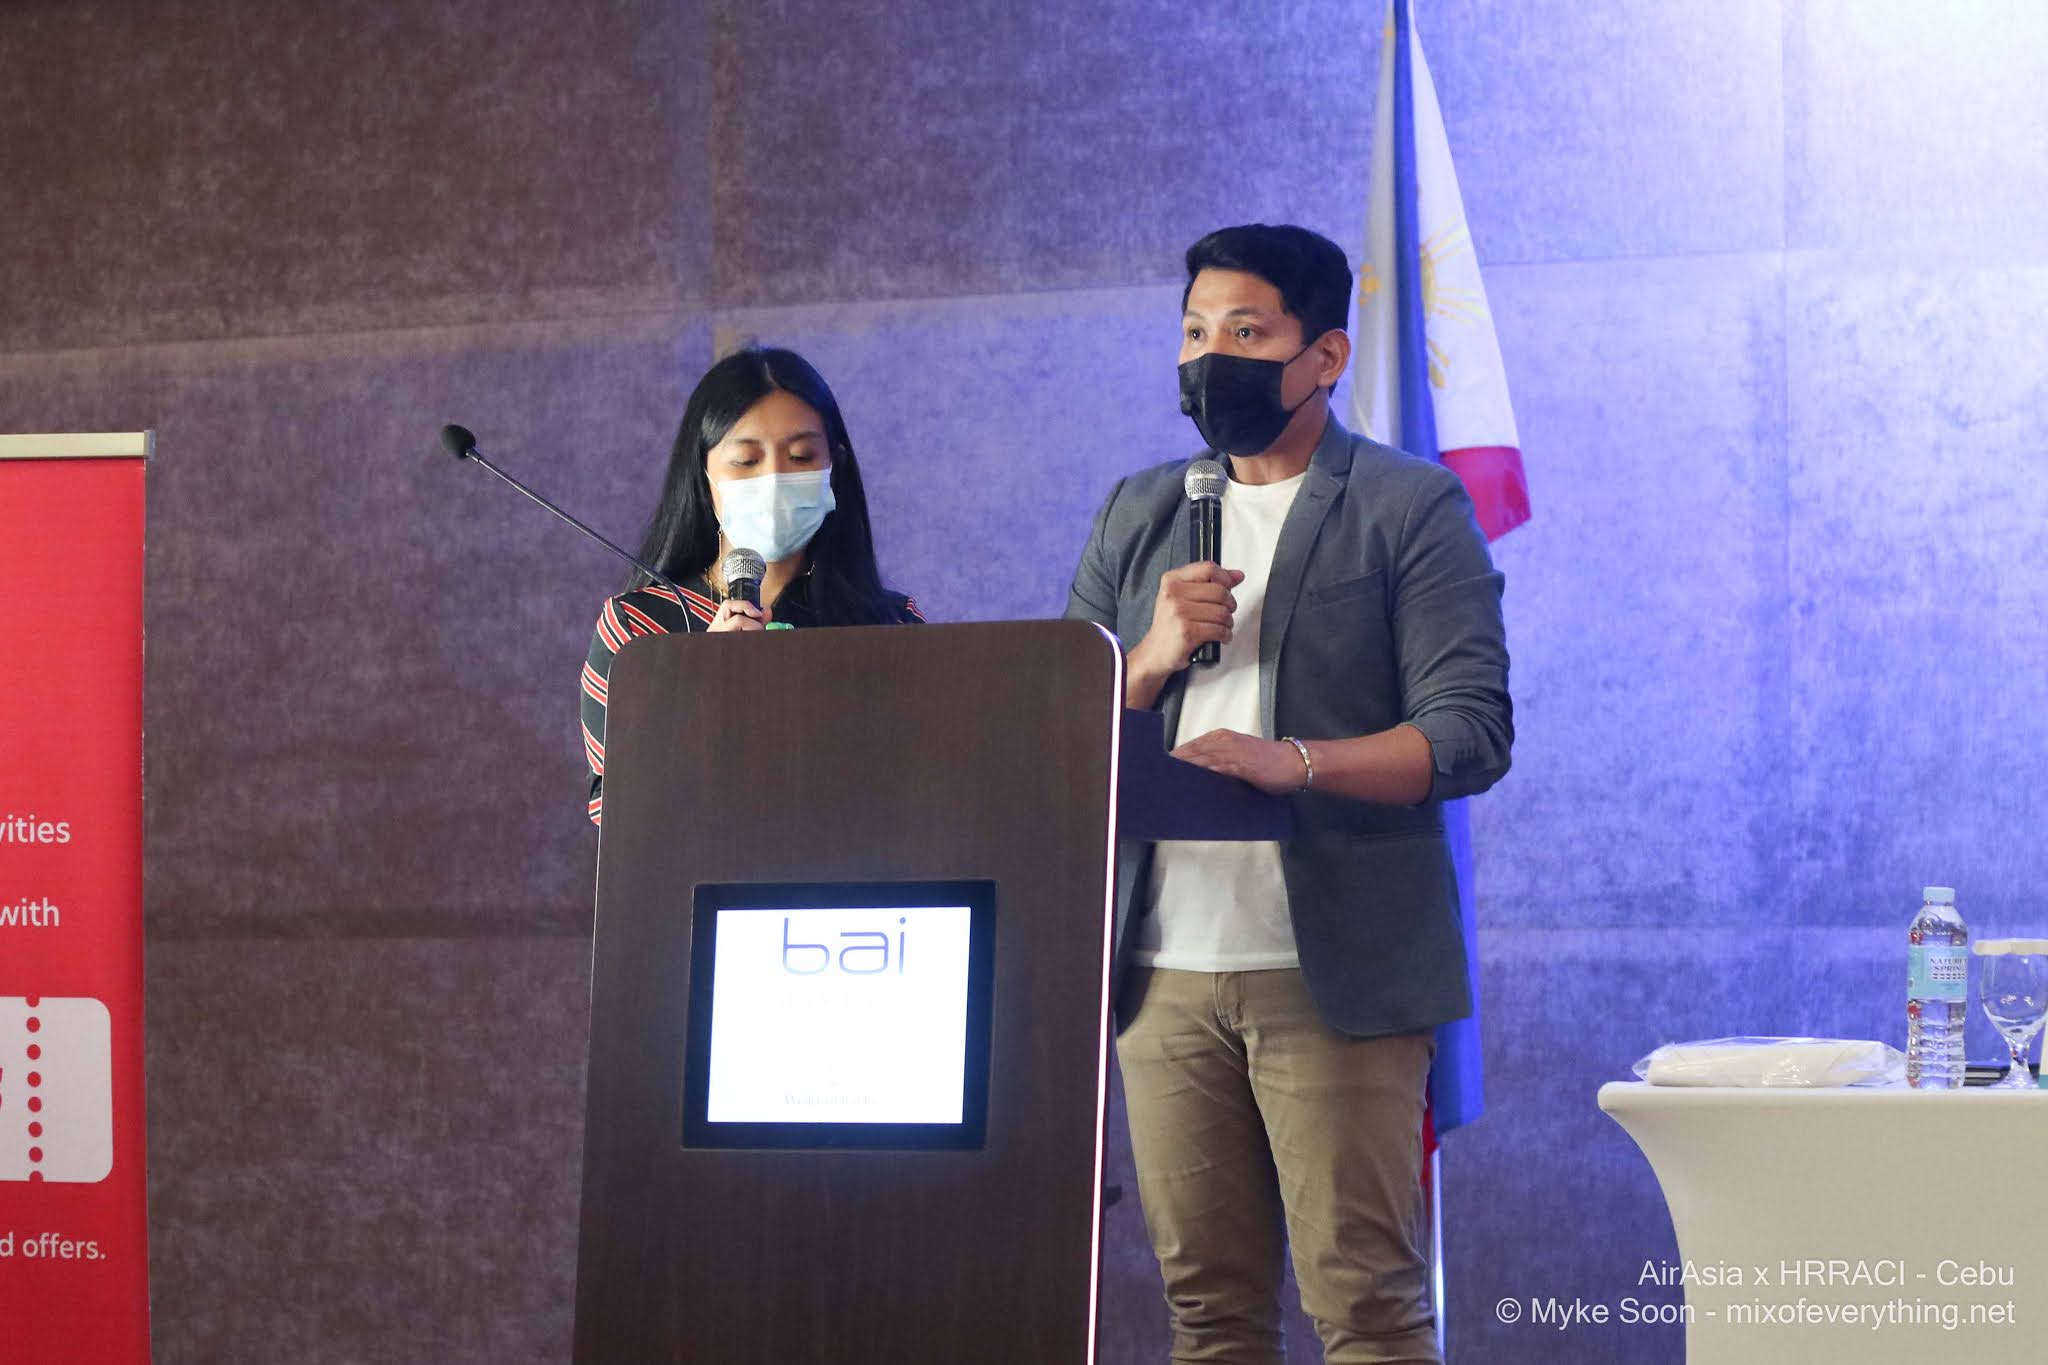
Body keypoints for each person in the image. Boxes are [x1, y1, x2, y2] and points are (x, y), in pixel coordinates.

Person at [1065, 224, 1512, 1364]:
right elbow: (1056, 731)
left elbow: (1468, 732)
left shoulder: (1407, 505)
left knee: (1366, 1309)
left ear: (1324, 356)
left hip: (1335, 970)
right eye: (1193, 332)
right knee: (1208, 1316)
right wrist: (1148, 657)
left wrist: (1298, 761)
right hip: (1161, 972)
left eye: (1245, 332)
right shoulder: (1137, 511)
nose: (1209, 357)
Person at [581, 346, 922, 824]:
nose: (774, 480)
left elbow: (924, 787)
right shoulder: (636, 630)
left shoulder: (892, 625)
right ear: (704, 474)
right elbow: (615, 815)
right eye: (745, 461)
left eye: (801, 456)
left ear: (836, 466)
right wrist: (700, 687)